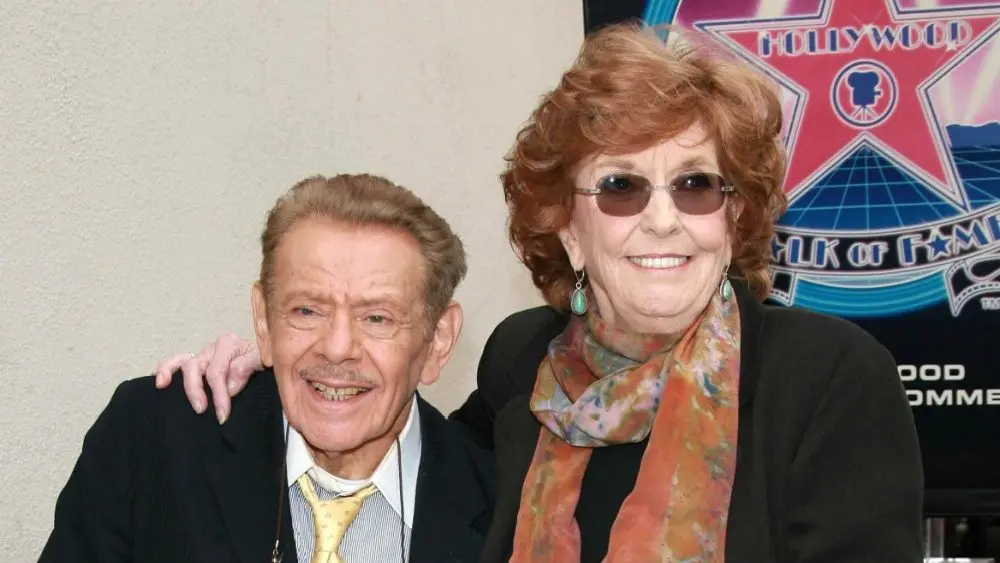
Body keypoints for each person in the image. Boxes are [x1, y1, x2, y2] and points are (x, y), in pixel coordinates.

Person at [154, 23, 924, 562]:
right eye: (622, 186)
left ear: (735, 215)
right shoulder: (524, 361)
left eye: (696, 185)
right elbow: (381, 428)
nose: (664, 220)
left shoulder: (824, 380)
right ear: (566, 226)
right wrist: (257, 380)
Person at [41, 174, 496, 563]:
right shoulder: (154, 442)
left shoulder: (506, 510)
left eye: (376, 317)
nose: (337, 349)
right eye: (306, 311)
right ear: (263, 320)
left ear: (438, 339)